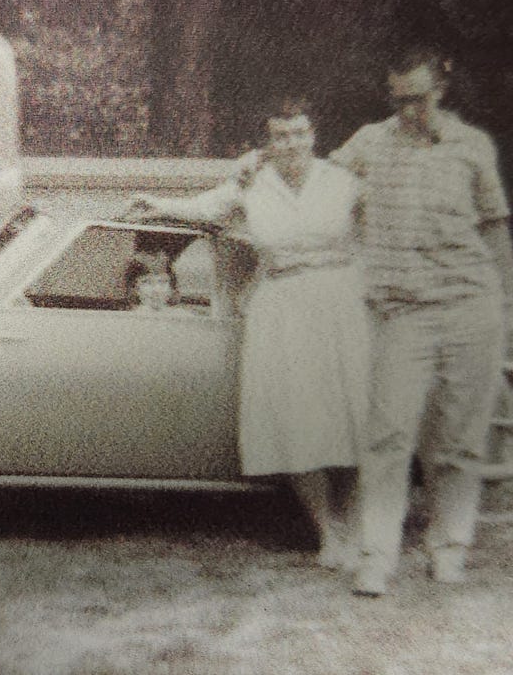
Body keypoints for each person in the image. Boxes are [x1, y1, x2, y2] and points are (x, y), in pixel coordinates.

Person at [129, 96, 370, 573]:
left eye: (299, 133)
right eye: (281, 136)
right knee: (297, 419)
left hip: (343, 303)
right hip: (281, 306)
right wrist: (157, 203)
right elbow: (202, 208)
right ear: (268, 142)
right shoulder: (250, 183)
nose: (292, 143)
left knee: (352, 416)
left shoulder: (343, 180)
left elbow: (387, 222)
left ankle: (358, 527)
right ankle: (328, 532)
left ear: (313, 136)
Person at [328, 48, 513, 595]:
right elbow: (317, 184)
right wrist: (256, 166)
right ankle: (377, 554)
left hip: (470, 306)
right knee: (388, 436)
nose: (407, 109)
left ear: (441, 90)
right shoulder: (370, 142)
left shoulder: (472, 147)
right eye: (398, 99)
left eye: (417, 98)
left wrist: (512, 308)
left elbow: (495, 228)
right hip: (402, 310)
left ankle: (450, 547)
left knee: (460, 441)